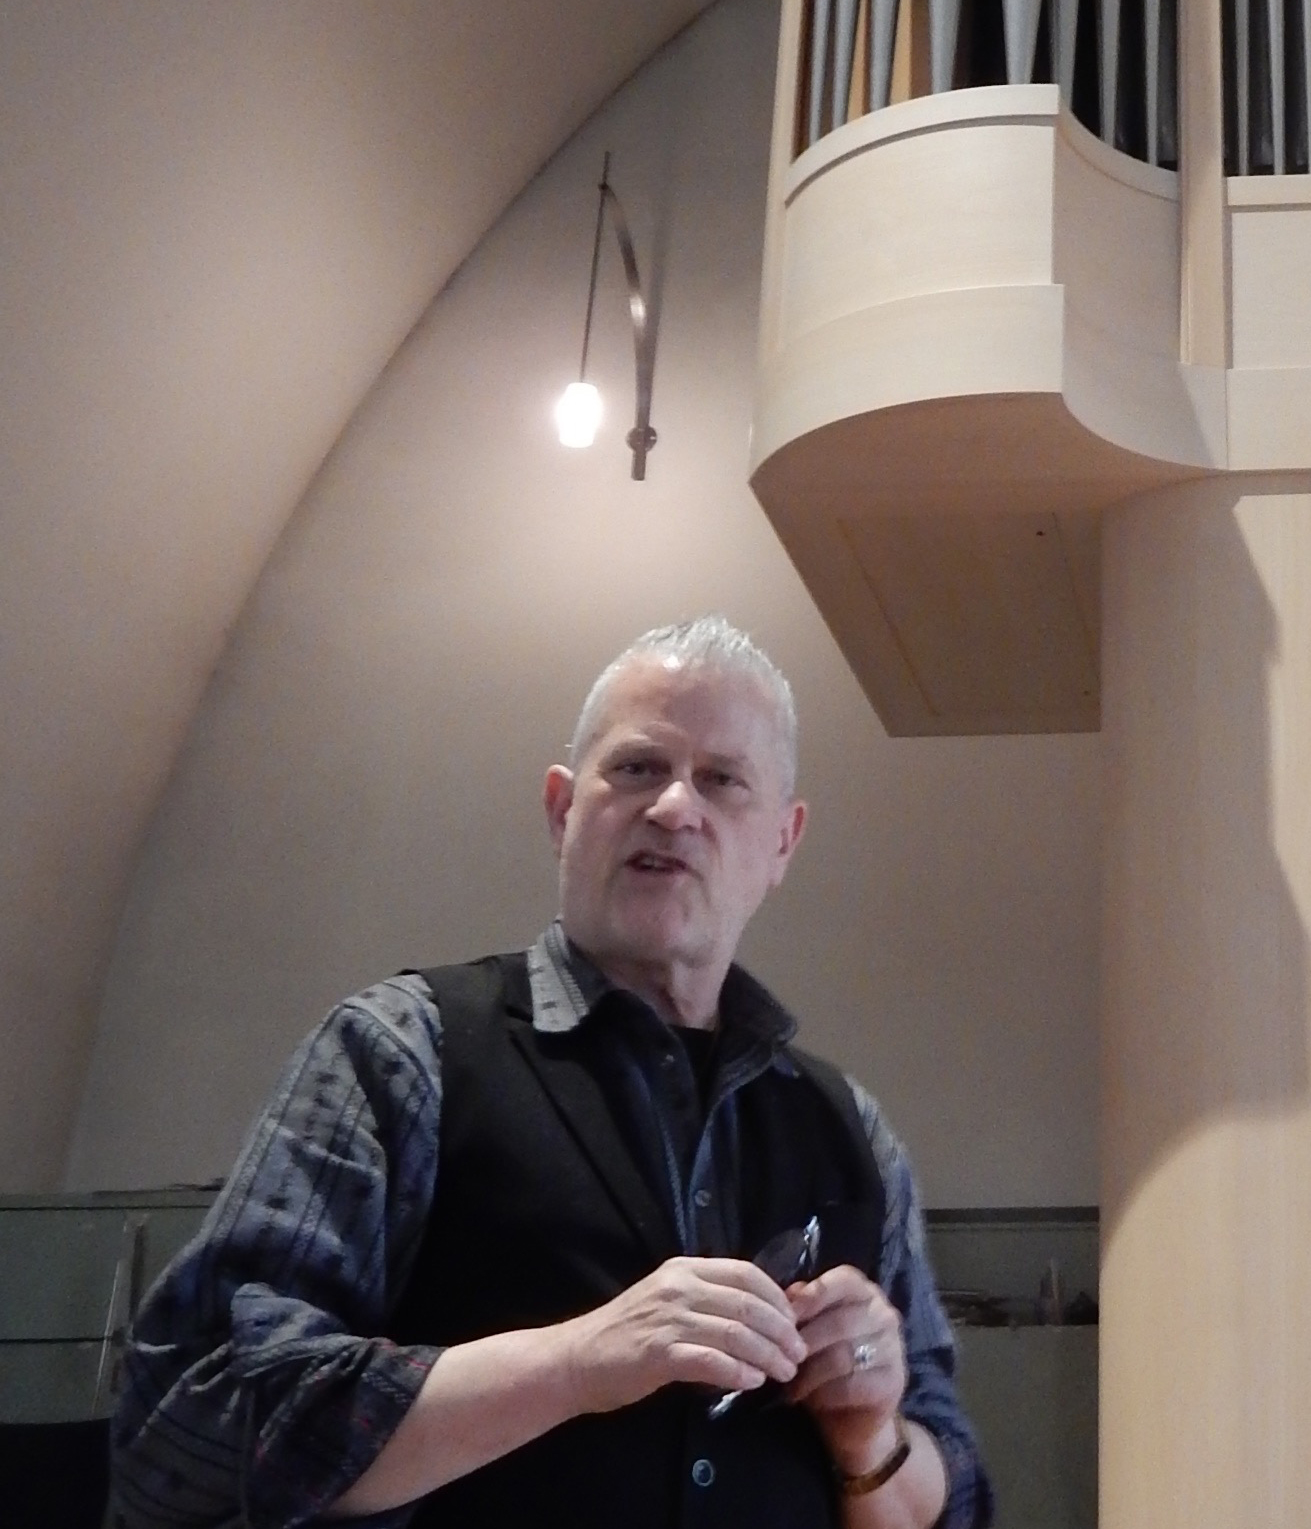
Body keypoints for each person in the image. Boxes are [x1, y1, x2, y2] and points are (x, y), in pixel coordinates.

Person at [111, 616, 990, 1529]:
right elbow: (191, 1427)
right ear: (563, 808)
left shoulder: (853, 1131)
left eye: (723, 780)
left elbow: (951, 1503)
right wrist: (574, 1363)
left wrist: (870, 1436)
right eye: (639, 767)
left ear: (781, 842)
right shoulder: (405, 1051)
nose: (676, 808)